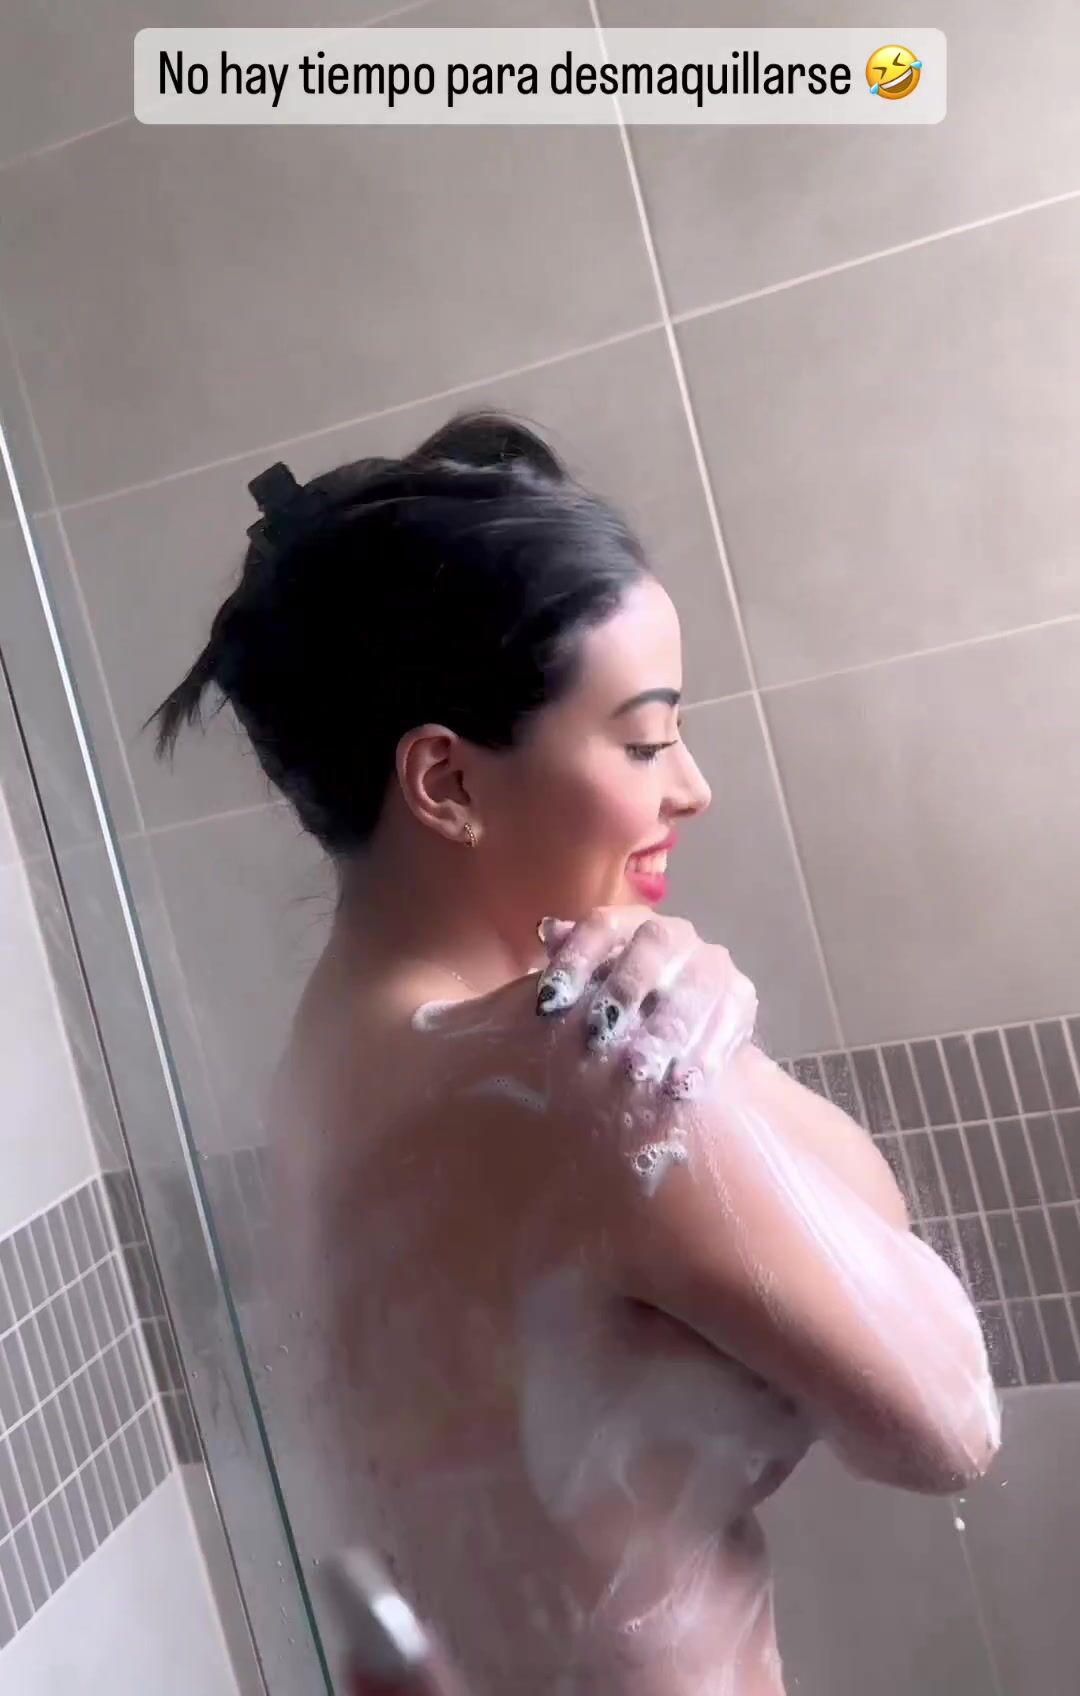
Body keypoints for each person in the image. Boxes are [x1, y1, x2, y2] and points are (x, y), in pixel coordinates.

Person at [154, 413, 999, 1696]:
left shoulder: (326, 1066)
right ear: (445, 783)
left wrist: (714, 1048)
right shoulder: (587, 1076)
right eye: (646, 739)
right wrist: (717, 1057)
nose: (691, 786)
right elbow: (945, 1422)